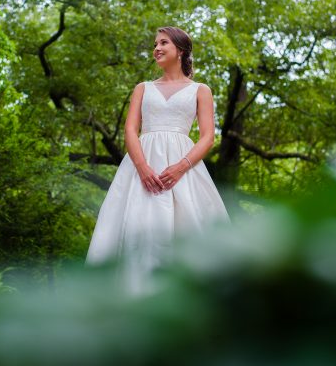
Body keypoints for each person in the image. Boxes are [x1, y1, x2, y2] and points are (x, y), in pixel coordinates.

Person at [85, 26, 231, 295]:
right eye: (155, 44)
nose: (157, 48)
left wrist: (180, 167)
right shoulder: (143, 88)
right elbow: (131, 130)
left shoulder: (200, 90)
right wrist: (142, 168)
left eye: (164, 43)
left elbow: (207, 136)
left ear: (181, 50)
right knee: (135, 225)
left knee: (186, 226)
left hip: (184, 166)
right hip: (142, 163)